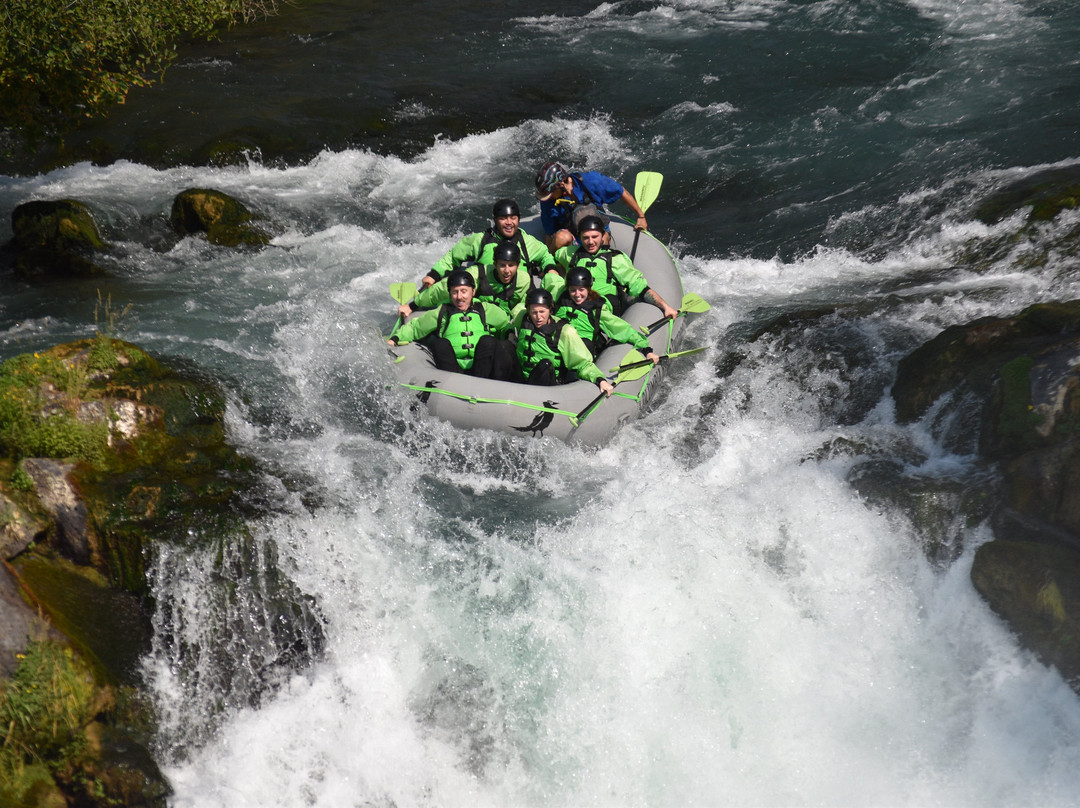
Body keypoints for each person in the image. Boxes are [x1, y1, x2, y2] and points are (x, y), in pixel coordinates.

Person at [546, 215, 678, 320]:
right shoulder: (571, 253)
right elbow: (550, 256)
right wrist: (553, 269)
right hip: (569, 306)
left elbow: (641, 288)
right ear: (579, 237)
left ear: (603, 236)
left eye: (594, 237)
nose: (590, 242)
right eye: (585, 238)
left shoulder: (615, 260)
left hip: (599, 314)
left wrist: (665, 307)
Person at [389, 270, 514, 379]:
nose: (459, 297)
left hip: (482, 369)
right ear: (450, 294)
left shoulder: (484, 309)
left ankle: (483, 385)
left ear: (473, 291)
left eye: (464, 291)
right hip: (453, 369)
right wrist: (395, 339)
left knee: (488, 341)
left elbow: (506, 324)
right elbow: (415, 327)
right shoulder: (442, 312)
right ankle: (455, 387)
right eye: (455, 292)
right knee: (440, 344)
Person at [421, 198, 556, 287]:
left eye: (513, 218)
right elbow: (452, 256)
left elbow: (545, 254)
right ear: (495, 220)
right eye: (503, 218)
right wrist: (434, 275)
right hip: (486, 298)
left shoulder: (527, 241)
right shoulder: (480, 240)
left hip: (518, 297)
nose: (509, 223)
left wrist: (550, 268)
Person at [513, 288, 614, 397]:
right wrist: (508, 331)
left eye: (542, 312)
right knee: (504, 347)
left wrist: (600, 380)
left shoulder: (564, 331)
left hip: (548, 384)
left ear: (550, 309)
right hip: (522, 379)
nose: (538, 317)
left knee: (545, 365)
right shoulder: (523, 319)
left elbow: (582, 363)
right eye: (534, 312)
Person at [534, 161, 651, 251]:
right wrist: (549, 262)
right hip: (574, 237)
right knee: (561, 238)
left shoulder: (591, 181)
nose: (548, 198)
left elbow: (621, 192)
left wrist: (641, 216)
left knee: (603, 238)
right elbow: (549, 233)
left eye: (550, 194)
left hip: (597, 232)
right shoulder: (548, 201)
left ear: (560, 185)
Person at [553, 267, 662, 363]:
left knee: (585, 344)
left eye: (581, 290)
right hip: (558, 350)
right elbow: (551, 281)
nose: (577, 294)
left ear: (588, 288)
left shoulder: (597, 311)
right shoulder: (561, 300)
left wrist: (646, 350)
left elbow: (622, 329)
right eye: (573, 291)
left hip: (581, 356)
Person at [400, 242, 531, 319]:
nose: (507, 271)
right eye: (502, 265)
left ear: (518, 266)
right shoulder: (476, 274)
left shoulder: (523, 280)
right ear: (495, 264)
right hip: (475, 318)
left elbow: (526, 303)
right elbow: (443, 289)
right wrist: (413, 305)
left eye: (511, 266)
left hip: (503, 323)